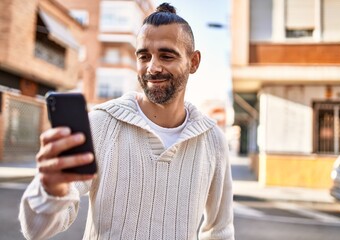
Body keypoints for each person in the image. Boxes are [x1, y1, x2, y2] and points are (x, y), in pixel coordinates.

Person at [19, 3, 234, 239]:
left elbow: (220, 231)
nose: (152, 67)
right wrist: (50, 191)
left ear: (193, 62)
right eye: (144, 56)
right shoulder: (100, 125)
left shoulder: (213, 140)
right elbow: (35, 231)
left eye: (166, 55)